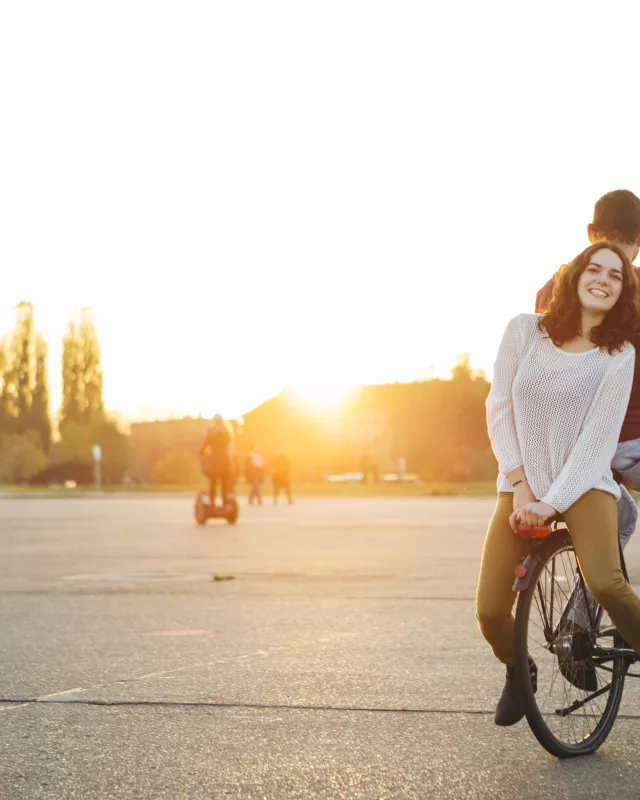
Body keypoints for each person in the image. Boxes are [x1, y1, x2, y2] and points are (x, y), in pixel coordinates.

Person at [477, 241, 640, 728]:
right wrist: (522, 485)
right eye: (595, 269)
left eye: (615, 276)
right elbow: (499, 408)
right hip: (521, 483)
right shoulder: (524, 331)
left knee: (607, 584)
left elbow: (597, 440)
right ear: (575, 276)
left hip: (584, 483)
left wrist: (552, 503)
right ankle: (517, 668)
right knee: (489, 610)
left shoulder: (619, 354)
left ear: (623, 291)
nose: (603, 280)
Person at [536, 189, 640, 549]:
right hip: (625, 443)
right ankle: (598, 580)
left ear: (590, 231)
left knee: (622, 516)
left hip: (561, 442)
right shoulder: (633, 288)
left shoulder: (553, 288)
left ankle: (588, 578)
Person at [198, 415, 233, 508]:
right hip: (225, 461)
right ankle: (225, 504)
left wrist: (201, 452)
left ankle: (212, 503)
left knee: (213, 483)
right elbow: (230, 444)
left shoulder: (211, 431)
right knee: (224, 484)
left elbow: (204, 445)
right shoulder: (227, 431)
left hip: (215, 461)